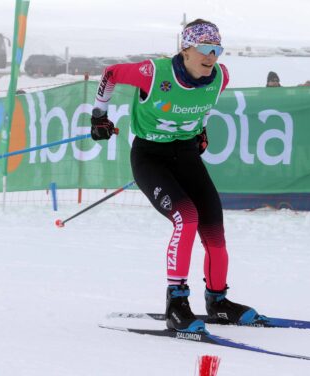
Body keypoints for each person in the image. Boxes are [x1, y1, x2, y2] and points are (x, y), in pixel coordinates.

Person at [91, 19, 260, 333]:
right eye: (205, 49)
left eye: (218, 49)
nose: (212, 56)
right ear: (186, 49)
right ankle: (176, 304)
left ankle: (218, 302)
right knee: (187, 218)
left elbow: (202, 108)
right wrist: (99, 115)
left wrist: (200, 131)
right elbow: (111, 73)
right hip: (150, 157)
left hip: (185, 155)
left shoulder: (220, 77)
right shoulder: (153, 73)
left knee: (213, 225)